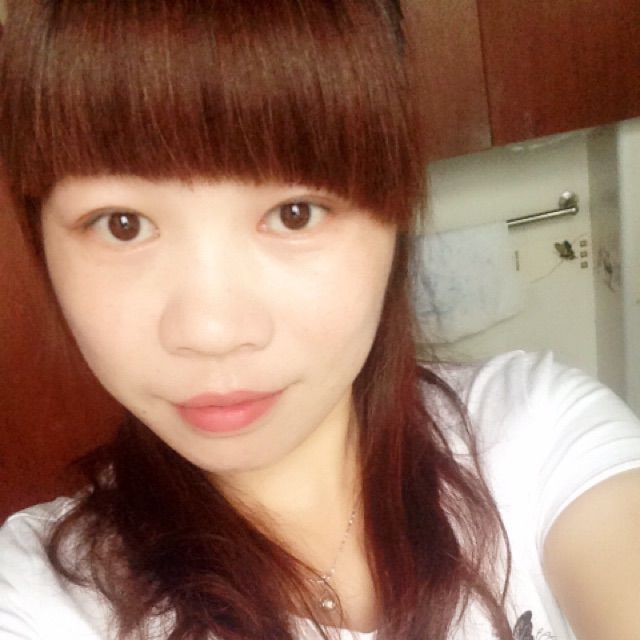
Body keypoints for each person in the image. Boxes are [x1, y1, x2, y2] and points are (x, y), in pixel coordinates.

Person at [1, 1, 639, 639]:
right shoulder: (36, 597)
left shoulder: (536, 438)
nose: (212, 331)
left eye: (295, 213)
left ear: (393, 221)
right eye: (122, 225)